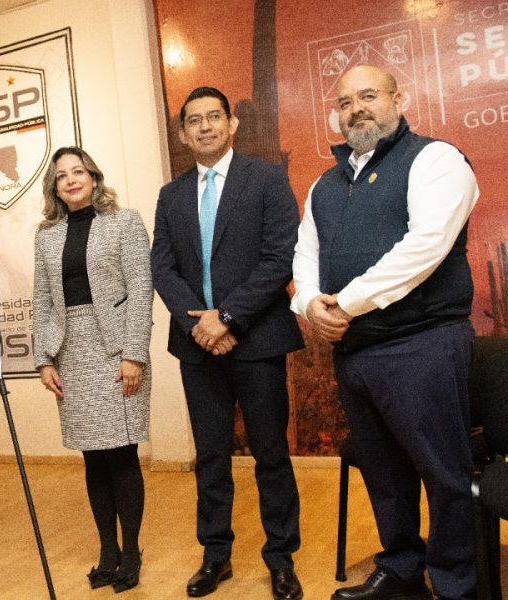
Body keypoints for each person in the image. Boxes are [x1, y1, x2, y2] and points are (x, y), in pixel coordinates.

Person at [292, 65, 479, 600]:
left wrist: (345, 304)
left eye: (369, 95)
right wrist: (310, 304)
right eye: (345, 102)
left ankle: (455, 585)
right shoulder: (324, 185)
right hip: (354, 353)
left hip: (423, 344)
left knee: (444, 476)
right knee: (385, 476)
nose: (357, 109)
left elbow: (426, 246)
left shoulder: (436, 159)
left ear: (400, 99)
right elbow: (305, 255)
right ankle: (401, 571)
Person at [150, 87, 304, 600]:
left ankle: (281, 559)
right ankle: (216, 555)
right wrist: (200, 324)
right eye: (194, 120)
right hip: (197, 346)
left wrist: (229, 318)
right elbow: (162, 267)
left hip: (257, 340)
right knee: (211, 456)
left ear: (232, 123)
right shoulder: (171, 195)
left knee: (271, 454)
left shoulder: (267, 179)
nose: (205, 126)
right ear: (183, 134)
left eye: (214, 116)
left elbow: (280, 256)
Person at [33, 147, 152, 593]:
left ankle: (131, 551)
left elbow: (141, 288)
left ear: (94, 177)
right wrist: (43, 359)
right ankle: (107, 551)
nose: (70, 180)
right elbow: (42, 299)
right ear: (55, 187)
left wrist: (134, 354)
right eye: (62, 175)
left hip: (117, 349)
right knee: (93, 457)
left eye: (78, 171)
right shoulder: (46, 235)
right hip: (71, 351)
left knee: (121, 454)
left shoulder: (124, 222)